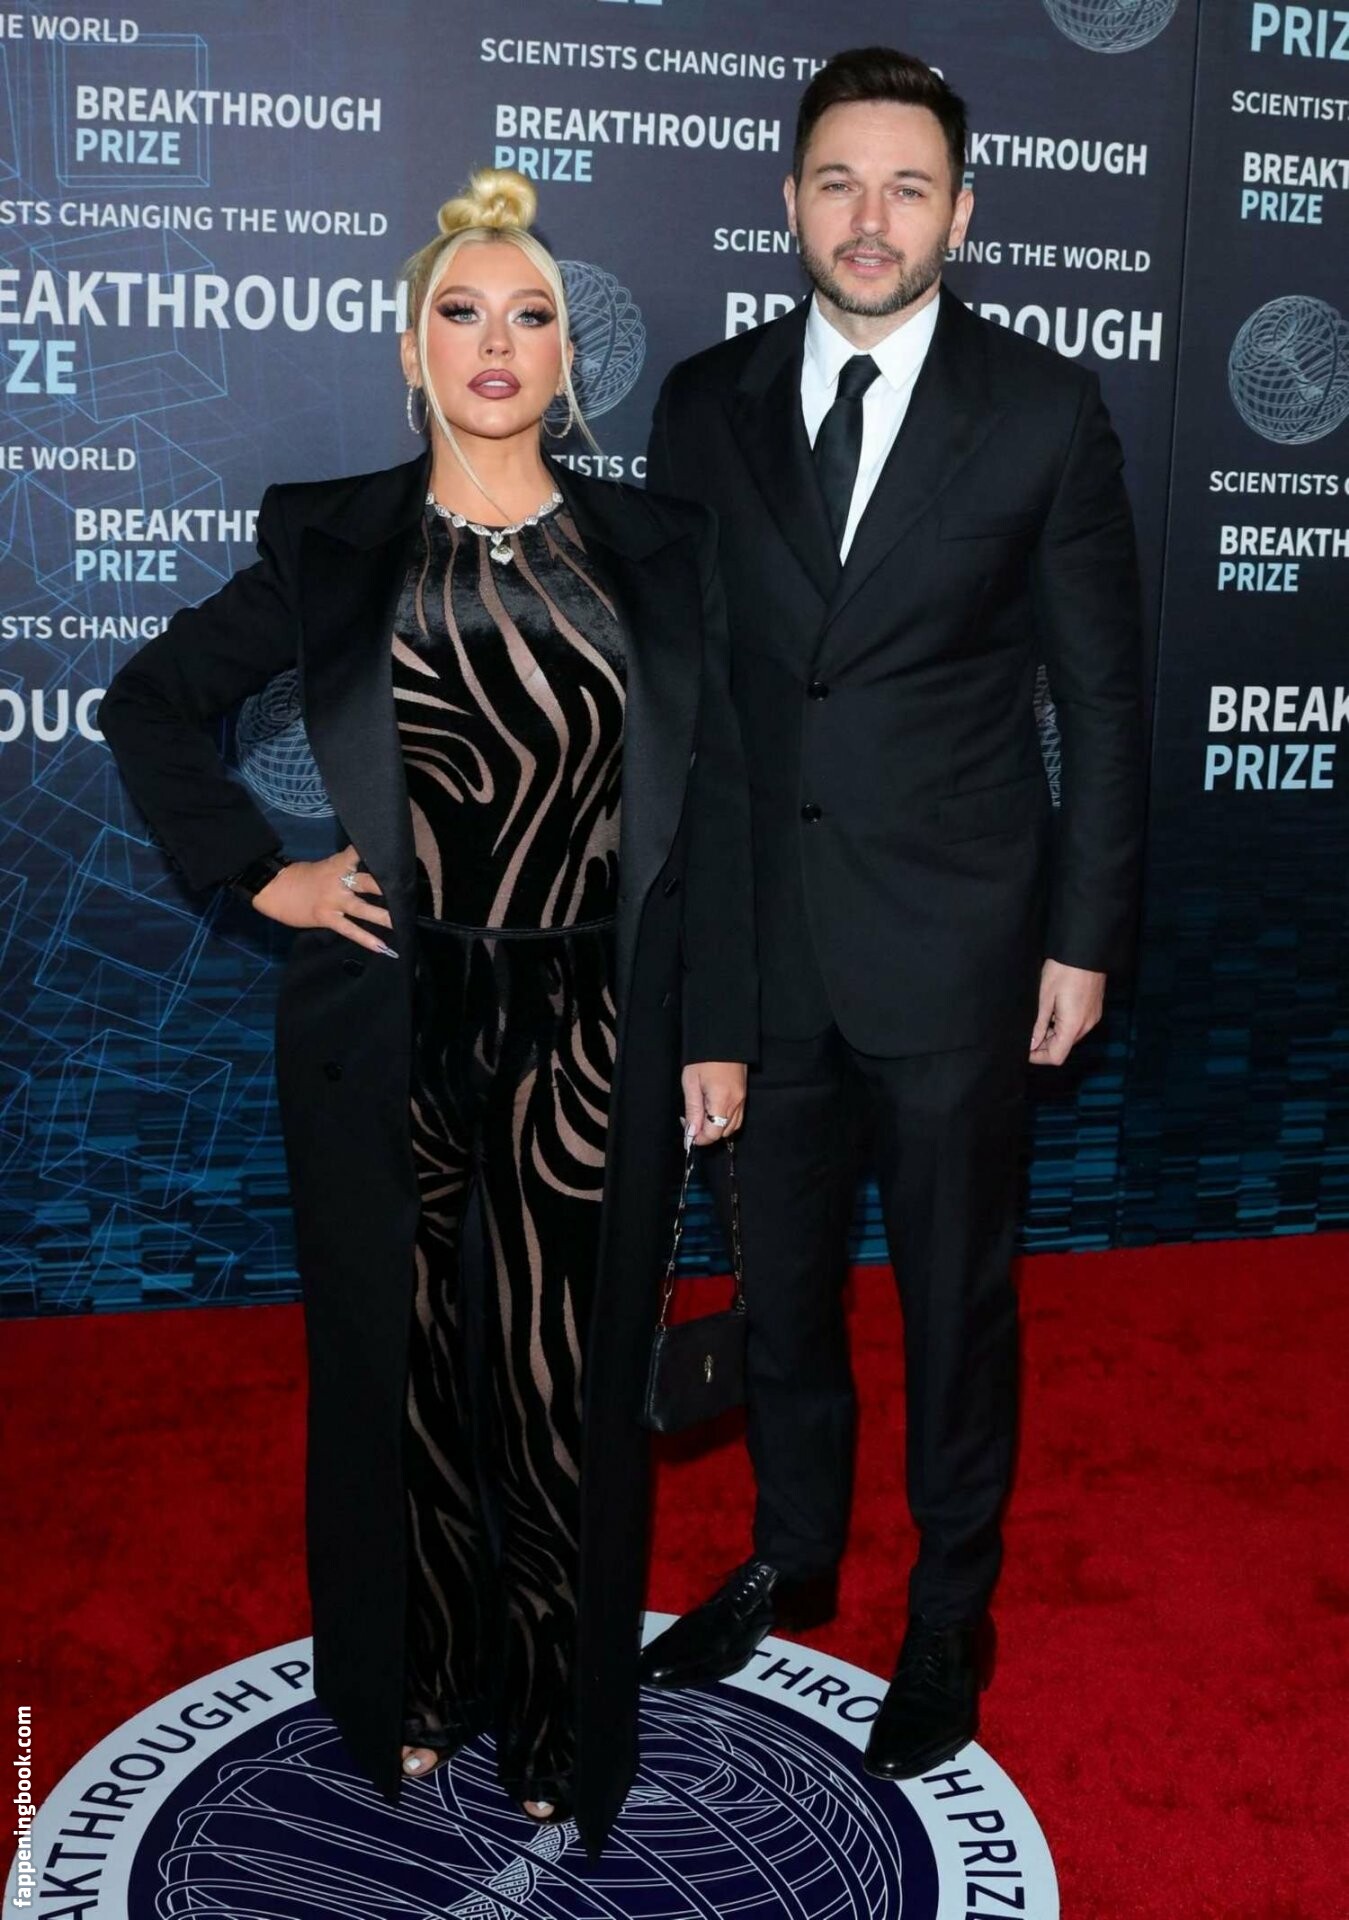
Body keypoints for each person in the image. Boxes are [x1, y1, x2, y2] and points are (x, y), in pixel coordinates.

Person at [98, 168, 756, 1851]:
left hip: (594, 1018)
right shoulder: (327, 537)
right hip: (387, 1013)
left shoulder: (659, 549)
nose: (495, 339)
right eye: (461, 310)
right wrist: (264, 876)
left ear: (567, 359)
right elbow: (150, 702)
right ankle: (410, 1684)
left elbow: (719, 803)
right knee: (398, 1374)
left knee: (558, 1385)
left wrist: (716, 1027)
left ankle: (557, 1717)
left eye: (530, 314)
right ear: (409, 348)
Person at [641, 47, 1144, 1779]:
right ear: (789, 201)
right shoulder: (702, 405)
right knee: (781, 1293)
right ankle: (789, 1554)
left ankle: (947, 1611)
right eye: (839, 183)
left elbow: (1102, 695)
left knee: (952, 1305)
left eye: (907, 186)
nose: (871, 218)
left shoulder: (1042, 409)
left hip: (960, 945)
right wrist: (701, 984)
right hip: (767, 951)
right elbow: (691, 722)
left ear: (961, 212)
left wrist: (1083, 934)